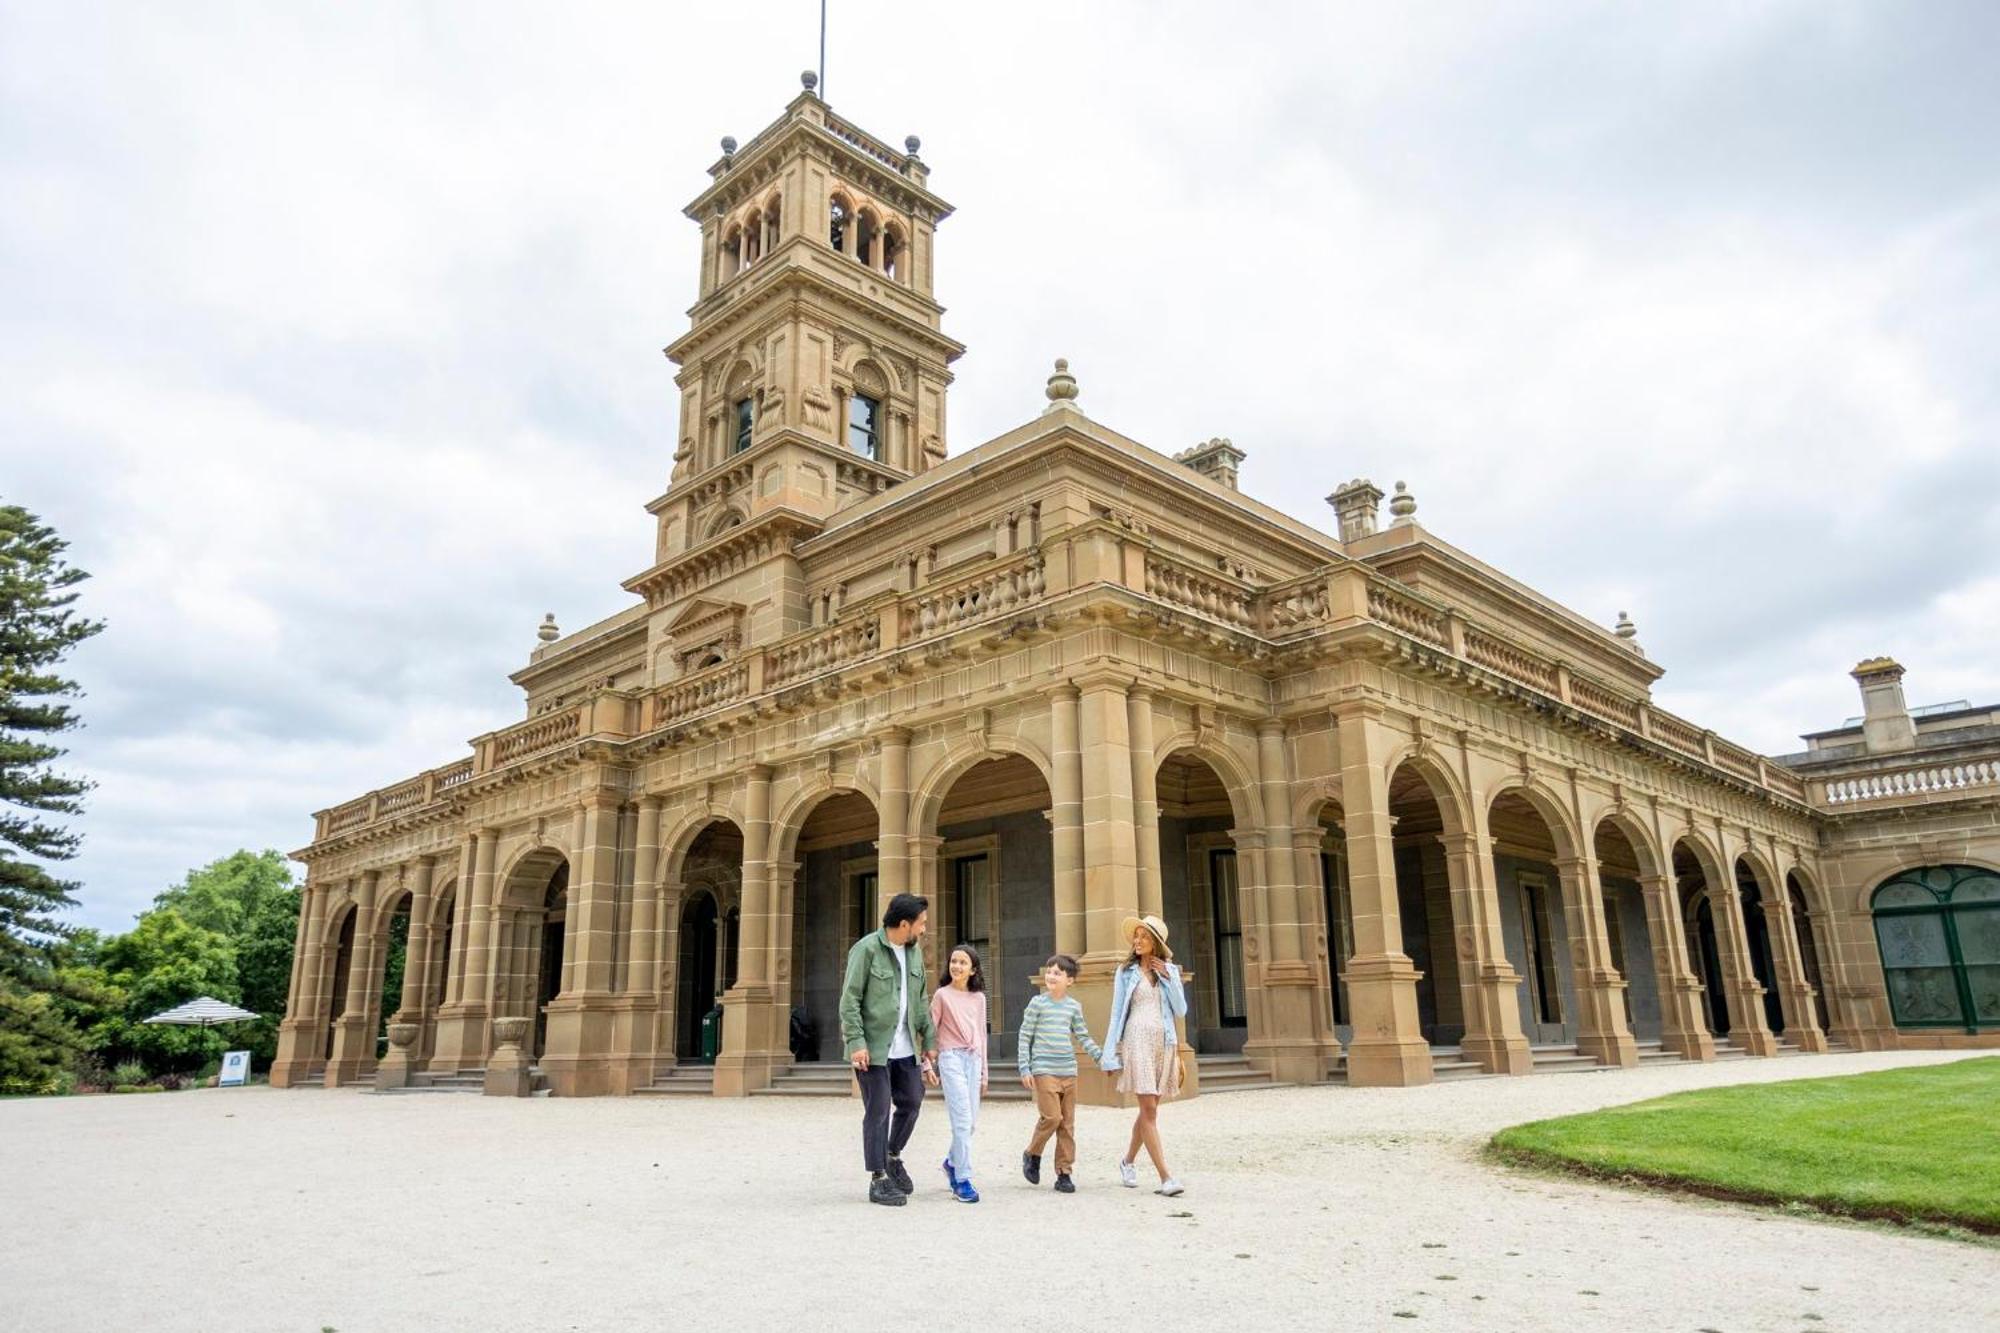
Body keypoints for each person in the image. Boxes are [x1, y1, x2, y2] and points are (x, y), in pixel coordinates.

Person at [838, 892, 938, 1207]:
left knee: (912, 1102)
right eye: (921, 924)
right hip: (873, 1050)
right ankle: (878, 1178)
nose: (924, 929)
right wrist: (856, 1042)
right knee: (878, 1110)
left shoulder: (915, 953)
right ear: (905, 923)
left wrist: (929, 1042)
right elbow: (850, 999)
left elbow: (921, 999)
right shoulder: (866, 950)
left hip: (906, 1046)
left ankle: (892, 1155)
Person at [1101, 914, 1187, 1197]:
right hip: (1136, 1041)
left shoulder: (1170, 971)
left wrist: (1167, 978)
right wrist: (1109, 1054)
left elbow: (1180, 1010)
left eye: (1144, 937)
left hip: (1164, 1043)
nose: (1137, 941)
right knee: (1149, 1110)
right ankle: (1166, 1177)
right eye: (1136, 937)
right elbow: (1116, 1014)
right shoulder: (1125, 972)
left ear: (1156, 943)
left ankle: (1127, 1161)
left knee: (1149, 1110)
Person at [1017, 953, 1103, 1194]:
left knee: (1067, 1124)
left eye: (1057, 973)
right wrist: (1025, 1067)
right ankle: (1032, 1153)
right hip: (1044, 1069)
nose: (1051, 976)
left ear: (1070, 981)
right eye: (1049, 971)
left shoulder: (1074, 1007)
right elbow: (1025, 1036)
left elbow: (1083, 1036)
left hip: (1068, 1070)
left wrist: (1100, 1057)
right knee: (1052, 1118)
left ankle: (1064, 1173)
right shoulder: (1037, 1004)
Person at [929, 943, 989, 1204]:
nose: (957, 966)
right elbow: (929, 1033)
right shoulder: (941, 995)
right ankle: (962, 1179)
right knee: (962, 1121)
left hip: (973, 1060)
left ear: (973, 969)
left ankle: (952, 1162)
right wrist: (926, 1064)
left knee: (971, 1123)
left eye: (963, 962)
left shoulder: (979, 998)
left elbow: (982, 1036)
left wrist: (984, 1073)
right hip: (950, 1058)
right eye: (954, 961)